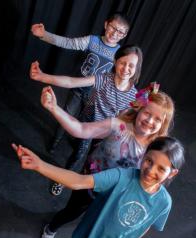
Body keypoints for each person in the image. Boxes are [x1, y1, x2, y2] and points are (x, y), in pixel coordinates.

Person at [36, 83, 175, 238]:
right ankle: (51, 228)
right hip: (89, 184)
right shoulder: (118, 126)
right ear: (139, 109)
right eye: (147, 113)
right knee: (72, 212)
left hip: (116, 195)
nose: (150, 120)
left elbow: (156, 175)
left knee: (96, 221)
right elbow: (80, 129)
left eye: (157, 119)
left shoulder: (156, 149)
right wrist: (54, 107)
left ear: (163, 124)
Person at [12, 136, 185, 238]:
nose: (150, 170)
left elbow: (144, 224)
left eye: (161, 169)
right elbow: (78, 180)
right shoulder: (121, 176)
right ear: (144, 155)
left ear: (172, 173)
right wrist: (40, 165)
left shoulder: (164, 203)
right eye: (149, 161)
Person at [30, 44, 142, 195]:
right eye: (123, 62)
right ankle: (62, 179)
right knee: (78, 154)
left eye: (131, 65)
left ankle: (86, 181)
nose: (126, 68)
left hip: (105, 132)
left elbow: (124, 120)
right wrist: (42, 77)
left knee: (94, 160)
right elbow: (71, 82)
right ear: (115, 61)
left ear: (137, 68)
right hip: (89, 122)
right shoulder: (103, 79)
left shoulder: (133, 96)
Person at [31, 13, 130, 154]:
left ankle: (79, 145)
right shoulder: (92, 40)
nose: (115, 33)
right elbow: (68, 42)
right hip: (78, 87)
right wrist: (44, 34)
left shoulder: (120, 54)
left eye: (120, 31)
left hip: (96, 95)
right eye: (113, 28)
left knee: (88, 122)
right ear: (106, 24)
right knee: (67, 113)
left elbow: (122, 76)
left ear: (124, 35)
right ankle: (56, 139)